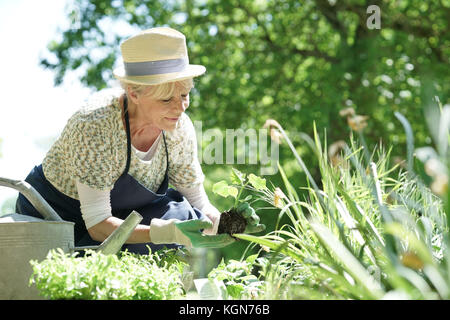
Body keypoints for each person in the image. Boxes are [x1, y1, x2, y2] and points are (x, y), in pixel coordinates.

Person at [16, 27, 265, 254]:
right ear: (134, 93)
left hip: (121, 219)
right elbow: (97, 223)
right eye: (167, 100)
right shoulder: (95, 124)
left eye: (185, 94)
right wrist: (164, 232)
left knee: (182, 212)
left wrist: (227, 224)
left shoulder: (178, 130)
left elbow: (198, 204)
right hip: (56, 217)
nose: (180, 107)